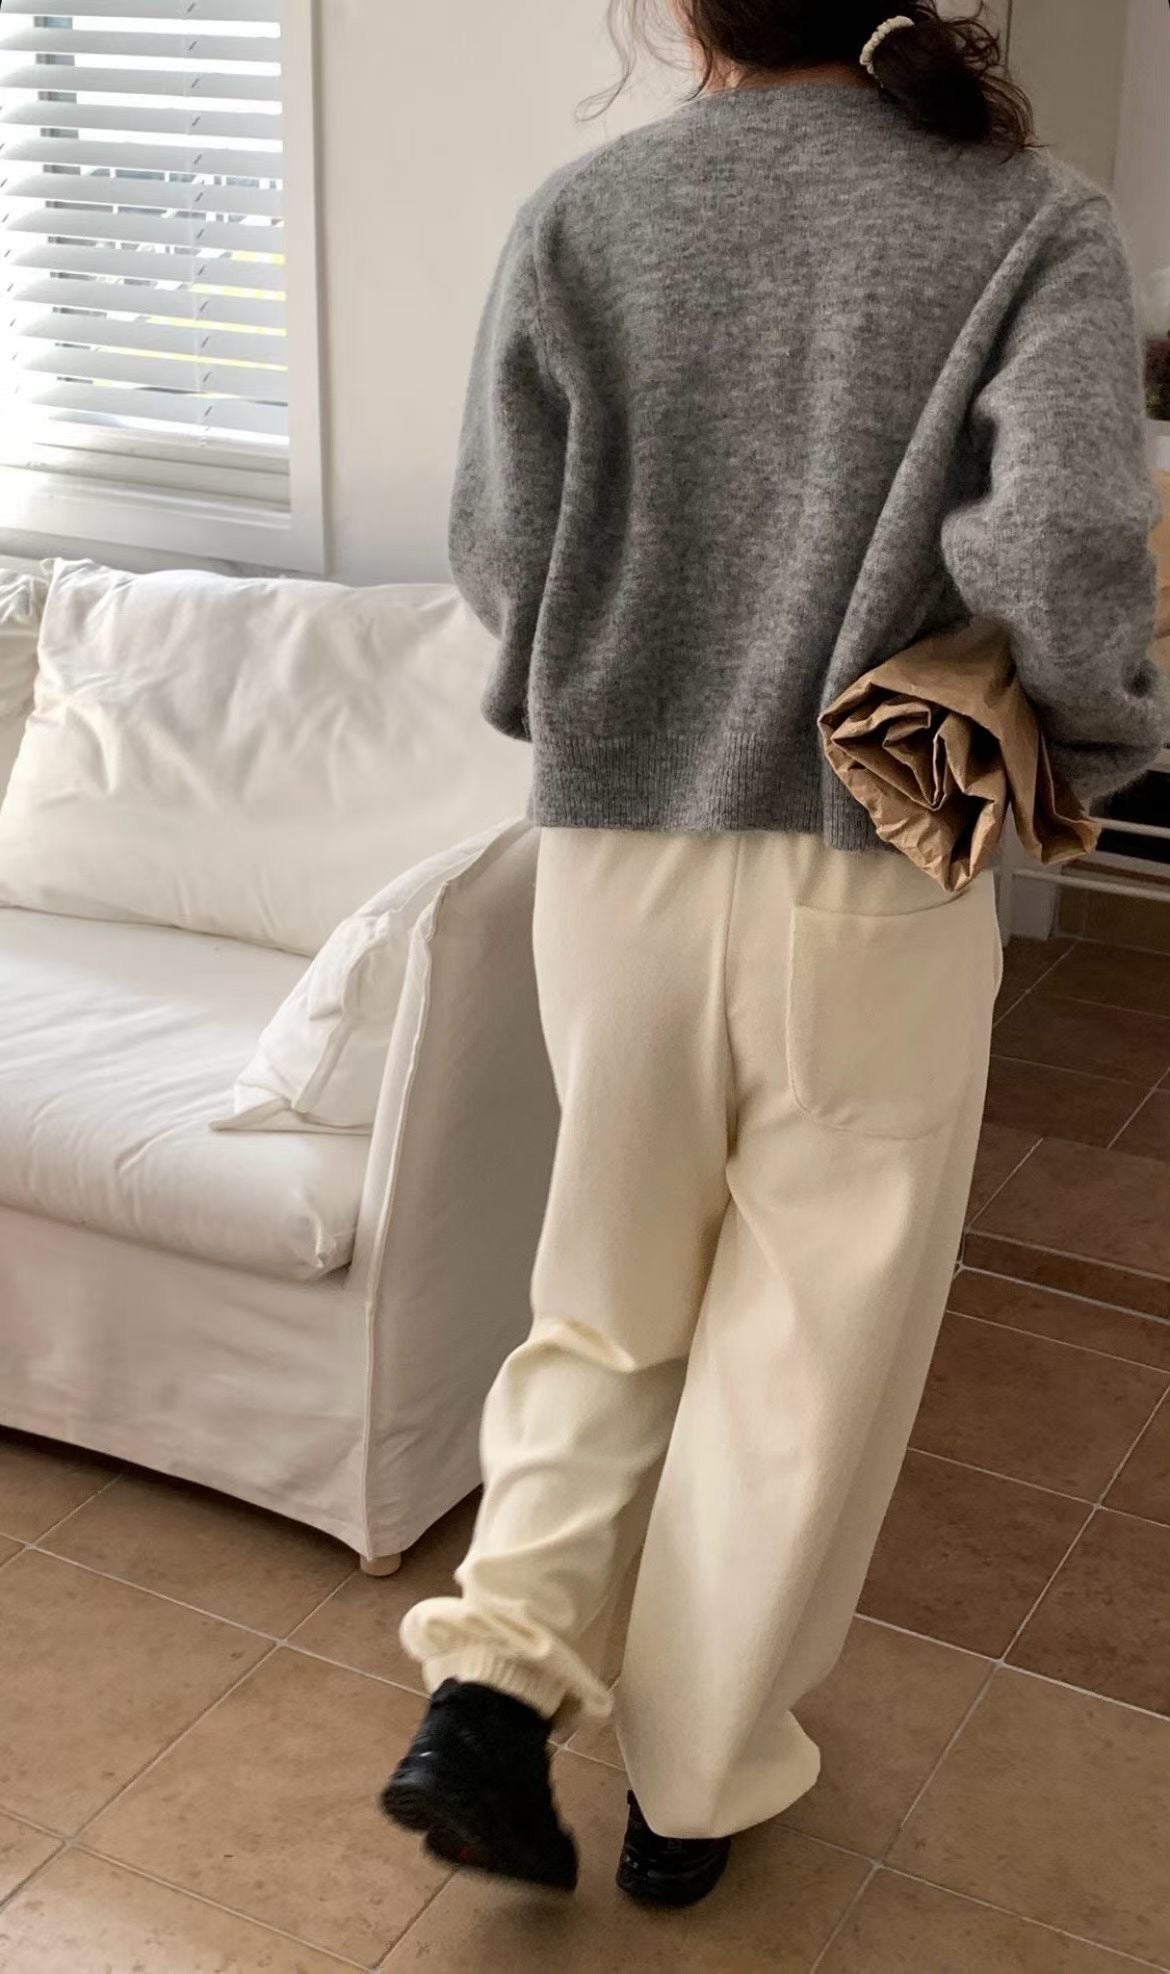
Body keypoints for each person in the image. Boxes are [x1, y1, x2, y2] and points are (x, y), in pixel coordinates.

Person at [382, 0, 1170, 1909]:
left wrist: (598, 685)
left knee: (601, 1289)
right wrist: (1088, 740)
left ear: (682, 10)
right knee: (801, 1351)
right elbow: (1065, 540)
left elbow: (499, 545)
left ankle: (492, 1685)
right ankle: (691, 1787)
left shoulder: (588, 215)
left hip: (610, 858)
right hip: (865, 869)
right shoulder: (1029, 217)